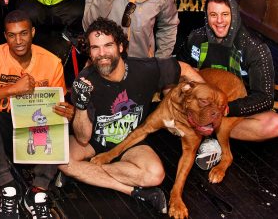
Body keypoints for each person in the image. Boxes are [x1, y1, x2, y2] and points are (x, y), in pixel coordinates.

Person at [60, 17, 203, 215]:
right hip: (93, 142)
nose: (102, 54)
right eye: (95, 48)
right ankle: (132, 191)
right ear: (90, 52)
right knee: (61, 158)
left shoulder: (143, 70)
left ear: (120, 47)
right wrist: (82, 106)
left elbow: (184, 69)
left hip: (129, 142)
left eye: (108, 45)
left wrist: (208, 96)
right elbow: (83, 138)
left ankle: (83, 173)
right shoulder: (84, 81)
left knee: (155, 175)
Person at [0, 10, 71, 218]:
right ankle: (9, 188)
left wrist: (69, 111)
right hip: (1, 141)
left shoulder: (51, 62)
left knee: (60, 115)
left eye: (23, 33)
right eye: (12, 35)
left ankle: (38, 192)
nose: (18, 40)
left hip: (35, 139)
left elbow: (59, 106)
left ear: (33, 32)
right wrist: (12, 90)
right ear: (5, 37)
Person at [178, 0, 278, 142]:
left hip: (234, 105)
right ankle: (208, 130)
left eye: (225, 14)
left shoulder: (255, 47)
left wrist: (224, 109)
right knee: (173, 81)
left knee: (275, 125)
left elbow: (265, 98)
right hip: (201, 101)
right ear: (206, 16)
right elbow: (179, 67)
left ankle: (206, 131)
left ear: (234, 15)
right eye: (213, 15)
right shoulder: (196, 36)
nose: (220, 21)